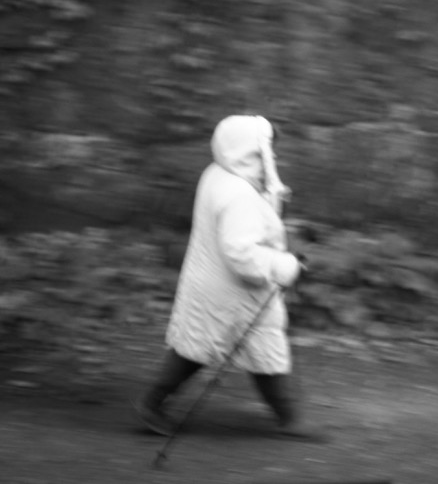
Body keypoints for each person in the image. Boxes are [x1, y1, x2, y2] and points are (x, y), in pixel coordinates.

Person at [135, 114, 327, 442]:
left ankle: (290, 417)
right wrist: (288, 266)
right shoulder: (238, 194)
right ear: (248, 153)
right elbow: (242, 254)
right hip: (228, 291)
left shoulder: (218, 174)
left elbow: (249, 222)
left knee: (258, 346)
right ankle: (150, 404)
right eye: (266, 150)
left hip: (223, 287)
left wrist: (274, 202)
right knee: (198, 350)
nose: (273, 157)